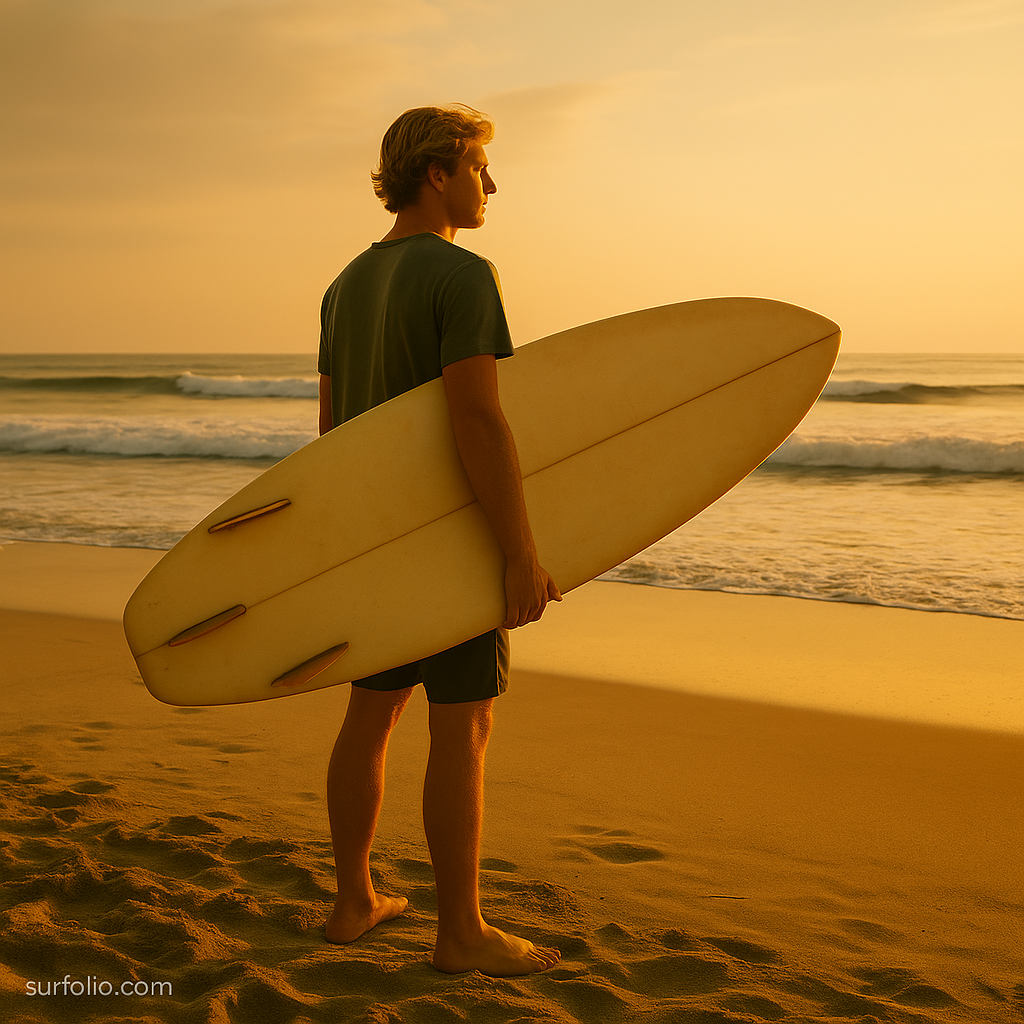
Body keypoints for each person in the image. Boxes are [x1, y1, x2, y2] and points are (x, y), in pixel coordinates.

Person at [315, 104, 562, 977]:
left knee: (371, 715)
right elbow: (479, 419)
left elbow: (330, 441)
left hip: (378, 545)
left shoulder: (344, 284)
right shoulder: (463, 275)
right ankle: (460, 931)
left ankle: (354, 899)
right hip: (449, 541)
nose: (489, 185)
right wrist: (518, 549)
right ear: (438, 173)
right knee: (464, 728)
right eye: (479, 168)